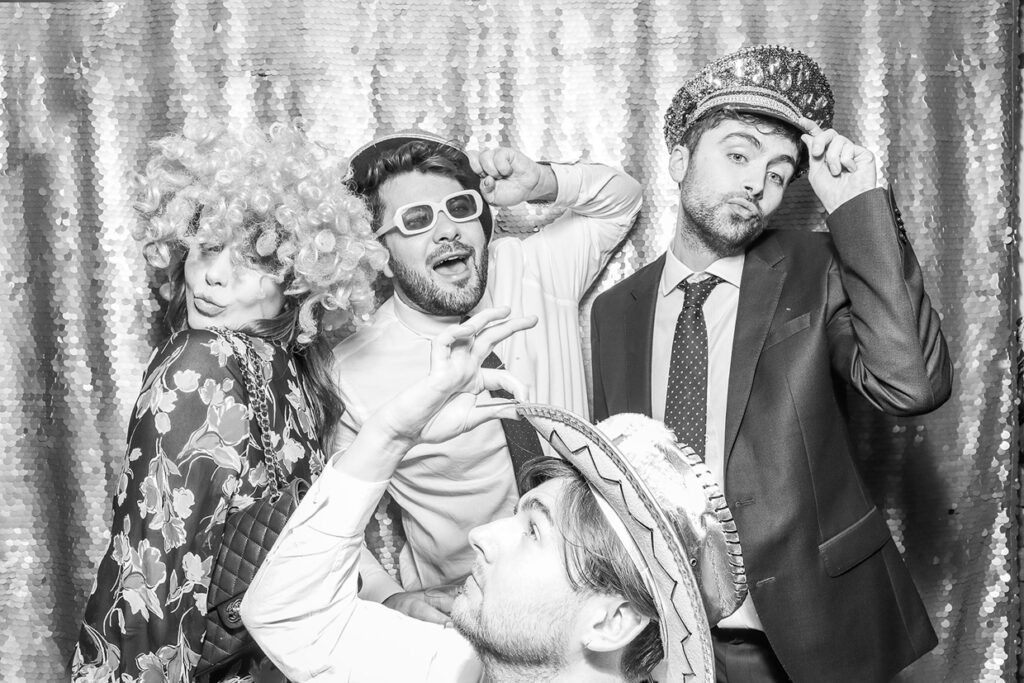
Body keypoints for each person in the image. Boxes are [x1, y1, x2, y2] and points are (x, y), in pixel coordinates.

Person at [590, 45, 953, 683]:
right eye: (738, 153)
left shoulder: (818, 268)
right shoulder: (616, 310)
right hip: (666, 640)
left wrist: (857, 208)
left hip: (811, 632)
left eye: (781, 171)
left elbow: (912, 384)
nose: (758, 184)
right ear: (679, 158)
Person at [242, 306, 747, 682]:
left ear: (612, 621)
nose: (480, 534)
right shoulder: (452, 662)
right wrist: (391, 435)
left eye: (534, 531)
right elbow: (283, 616)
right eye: (519, 515)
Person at [71, 120, 387, 682]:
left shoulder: (198, 362)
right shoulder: (297, 381)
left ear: (299, 281)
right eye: (208, 247)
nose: (214, 277)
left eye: (254, 260)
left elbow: (149, 583)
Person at [334, 132, 642, 620]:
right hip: (469, 611)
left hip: (597, 585)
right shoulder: (353, 370)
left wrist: (541, 180)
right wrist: (388, 597)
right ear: (379, 255)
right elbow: (332, 519)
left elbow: (622, 200)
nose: (447, 233)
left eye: (459, 208)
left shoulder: (535, 267)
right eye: (415, 220)